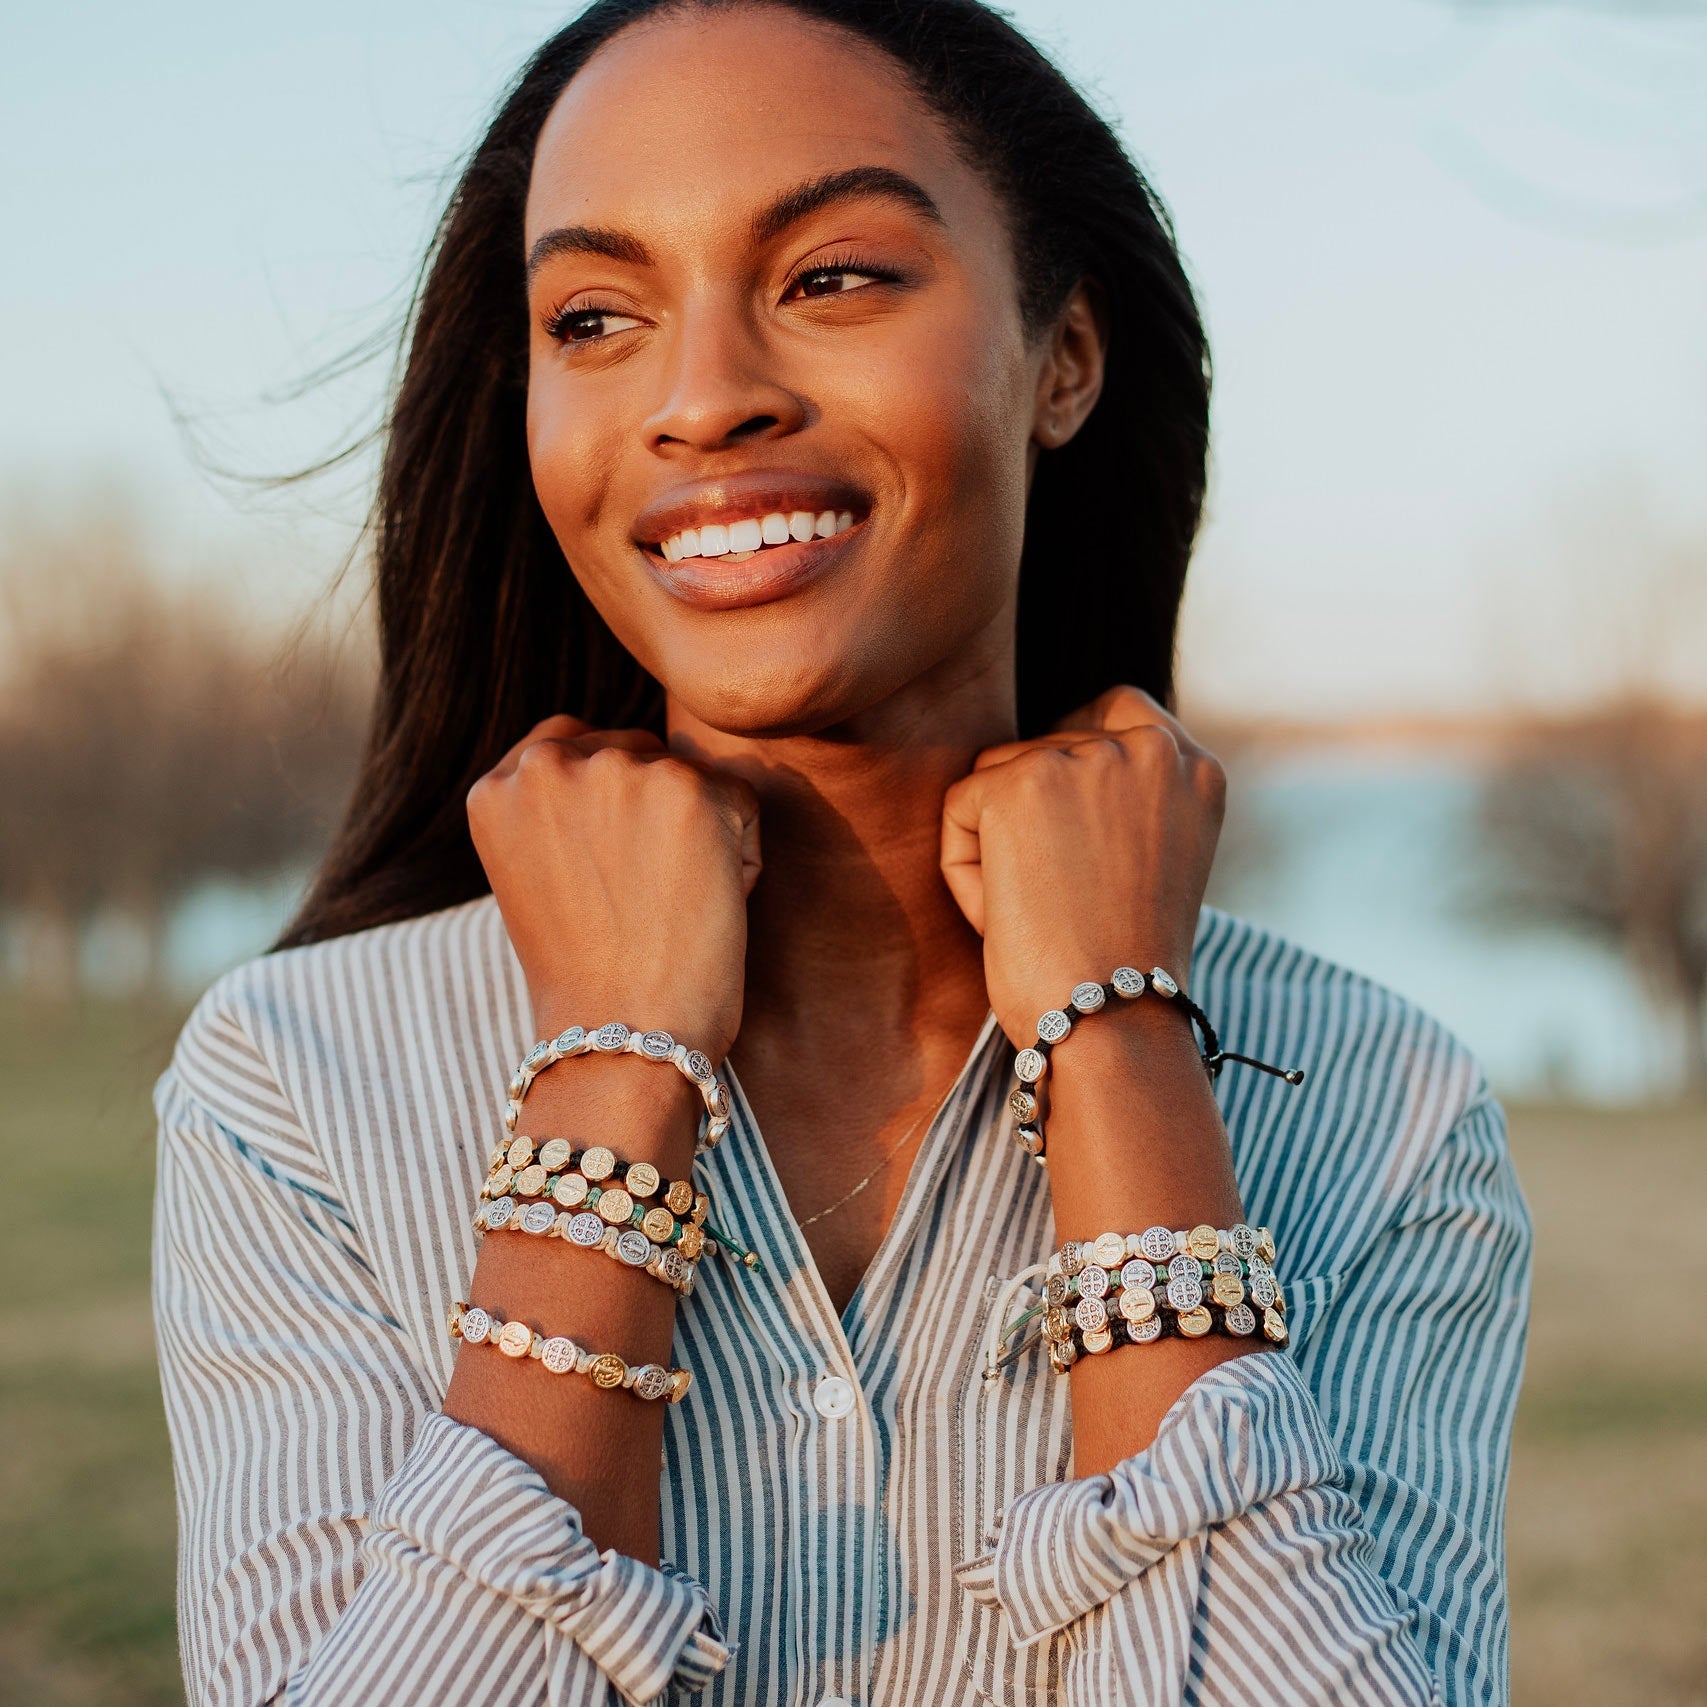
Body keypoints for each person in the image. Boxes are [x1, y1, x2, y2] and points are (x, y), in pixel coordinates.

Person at [151, 2, 1532, 1702]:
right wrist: (613, 1073)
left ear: (1066, 359)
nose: (703, 398)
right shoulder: (296, 1089)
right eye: (596, 317)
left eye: (833, 278)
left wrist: (1119, 1050)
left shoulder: (1383, 1110)